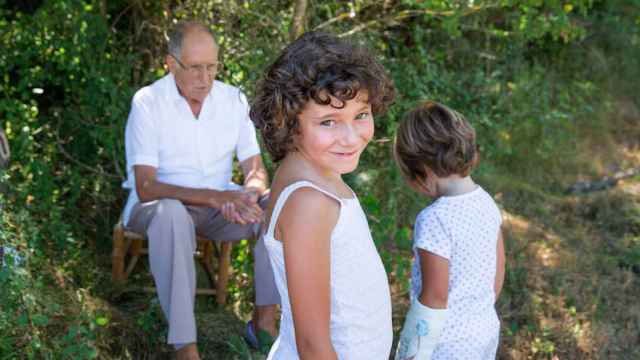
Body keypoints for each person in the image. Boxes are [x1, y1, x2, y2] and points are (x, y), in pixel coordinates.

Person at [122, 21, 278, 360]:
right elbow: (146, 186)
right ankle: (185, 345)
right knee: (171, 213)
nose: (204, 78)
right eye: (194, 68)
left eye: (211, 67)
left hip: (219, 207)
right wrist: (215, 197)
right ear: (170, 63)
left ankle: (264, 324)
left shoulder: (233, 99)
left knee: (278, 207)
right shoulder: (148, 102)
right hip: (158, 208)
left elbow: (254, 168)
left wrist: (250, 195)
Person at [249, 31, 396, 359]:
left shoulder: (316, 173)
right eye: (329, 122)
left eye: (360, 115)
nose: (351, 137)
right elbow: (313, 345)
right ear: (287, 121)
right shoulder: (309, 203)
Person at [393, 101, 506, 359]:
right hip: (484, 330)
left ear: (423, 171)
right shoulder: (486, 201)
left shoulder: (434, 219)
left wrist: (411, 352)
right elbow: (498, 270)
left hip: (445, 345)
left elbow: (435, 295)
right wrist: (477, 314)